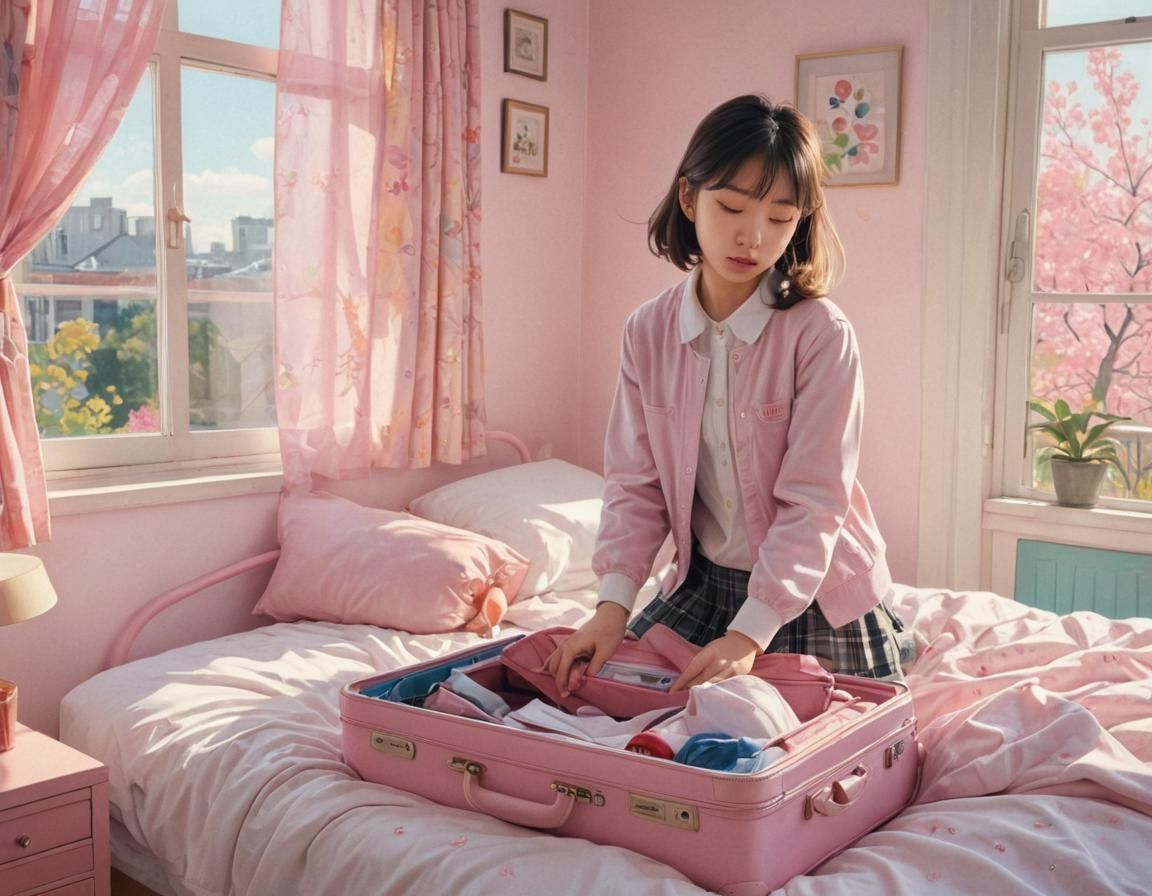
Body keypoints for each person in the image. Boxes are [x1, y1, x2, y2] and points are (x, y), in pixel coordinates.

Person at [547, 94, 903, 698]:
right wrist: (611, 607)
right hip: (704, 581)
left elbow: (814, 502)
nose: (753, 237)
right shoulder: (648, 332)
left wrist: (750, 635)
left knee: (804, 746)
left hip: (811, 591)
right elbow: (636, 485)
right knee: (618, 708)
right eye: (732, 206)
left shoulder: (820, 334)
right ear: (689, 198)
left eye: (780, 217)